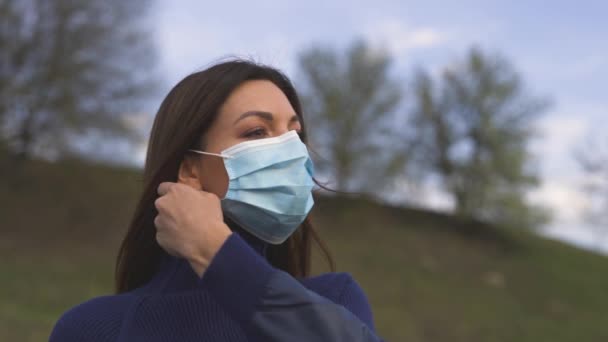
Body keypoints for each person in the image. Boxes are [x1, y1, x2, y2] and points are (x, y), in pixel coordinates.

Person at [49, 60, 383, 341]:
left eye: (294, 135)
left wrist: (215, 252)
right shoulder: (94, 328)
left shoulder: (334, 301)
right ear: (190, 170)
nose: (290, 152)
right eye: (257, 132)